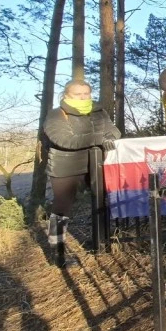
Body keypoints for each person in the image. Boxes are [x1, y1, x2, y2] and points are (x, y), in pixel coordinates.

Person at [44, 80, 120, 266]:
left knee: (101, 202)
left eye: (86, 93)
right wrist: (99, 138)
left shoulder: (99, 112)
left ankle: (101, 243)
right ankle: (57, 252)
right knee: (62, 208)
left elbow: (114, 130)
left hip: (97, 164)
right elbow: (64, 140)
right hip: (65, 167)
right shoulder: (56, 115)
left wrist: (110, 137)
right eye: (78, 94)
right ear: (66, 95)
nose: (84, 97)